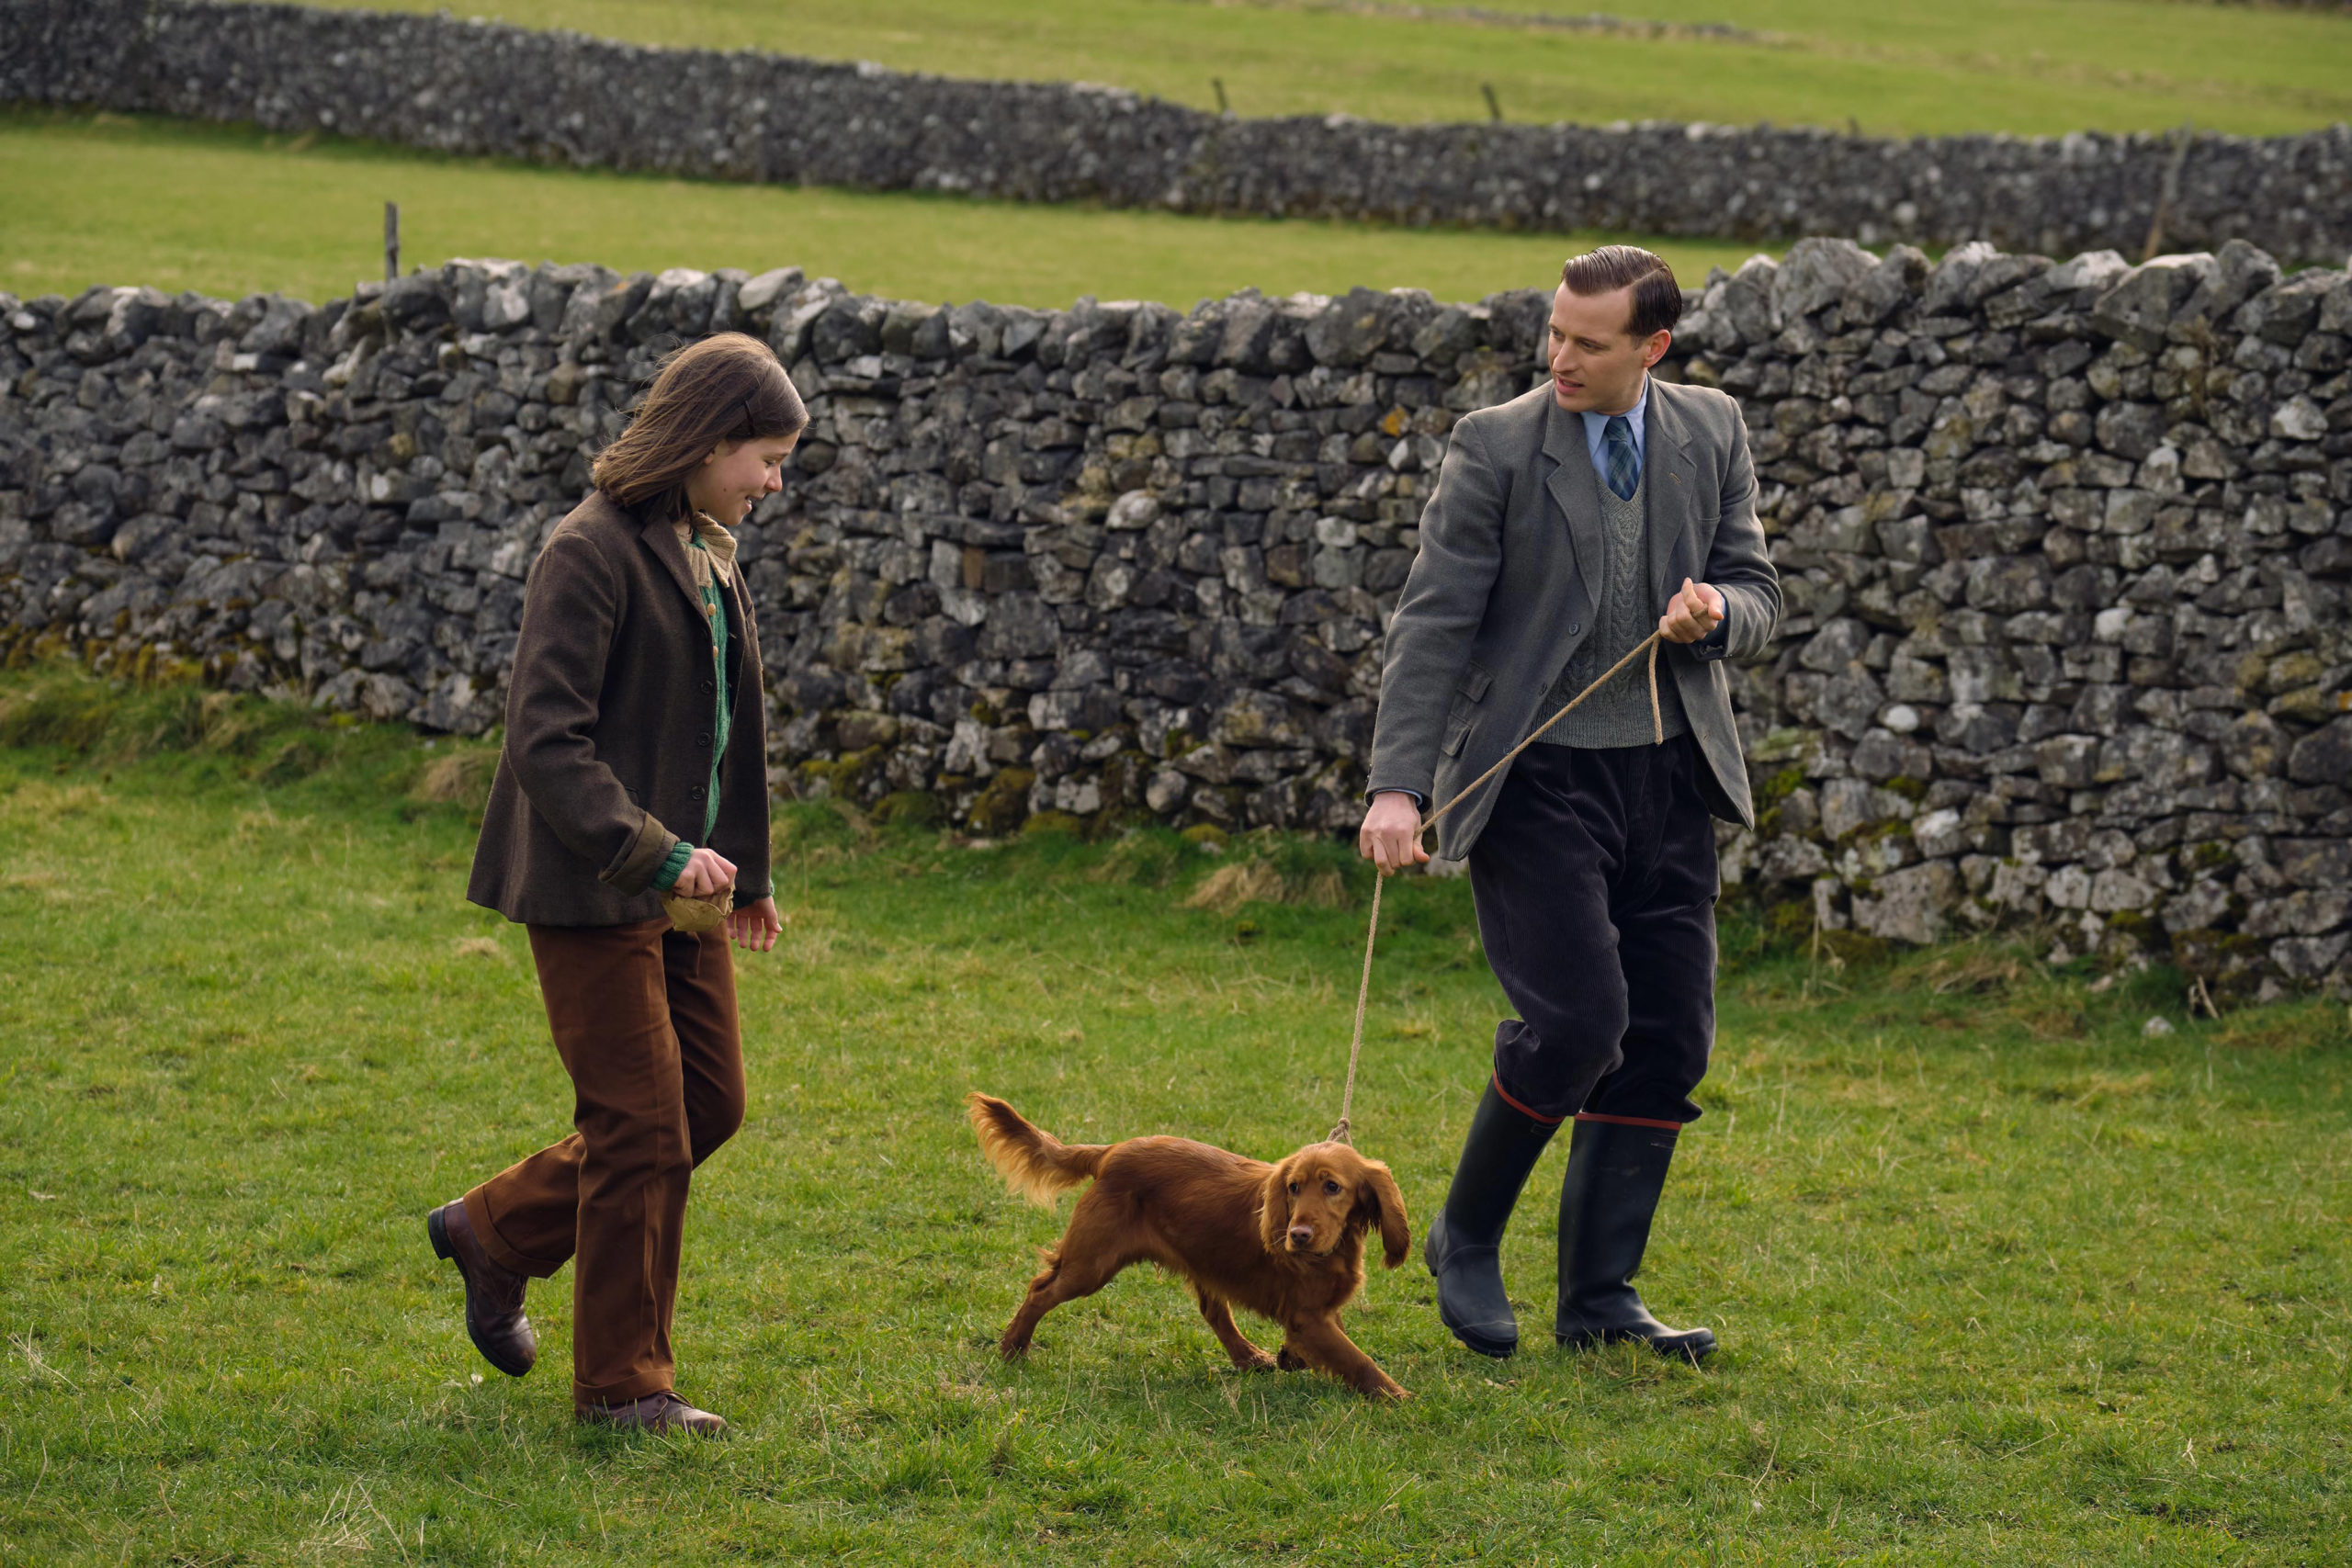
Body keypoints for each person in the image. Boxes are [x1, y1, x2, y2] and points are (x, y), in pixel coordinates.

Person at [1359, 247, 1781, 1363]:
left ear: (1653, 348)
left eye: (1589, 343)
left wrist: (1716, 610)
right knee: (1580, 1025)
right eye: (1554, 333)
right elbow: (1434, 625)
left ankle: (1599, 1300)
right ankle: (1466, 1234)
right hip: (1535, 781)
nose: (1560, 359)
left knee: (1668, 1039)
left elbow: (1761, 590)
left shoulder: (1713, 429)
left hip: (1671, 779)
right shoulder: (1495, 446)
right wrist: (1397, 787)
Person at [427, 333, 803, 1435]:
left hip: (684, 889)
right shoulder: (585, 552)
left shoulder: (708, 546)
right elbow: (547, 743)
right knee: (640, 1126)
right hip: (592, 879)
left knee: (707, 1104)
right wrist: (658, 851)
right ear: (707, 439)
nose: (774, 481)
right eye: (766, 457)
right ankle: (625, 1389)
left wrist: (749, 873)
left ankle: (495, 1234)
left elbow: (726, 728)